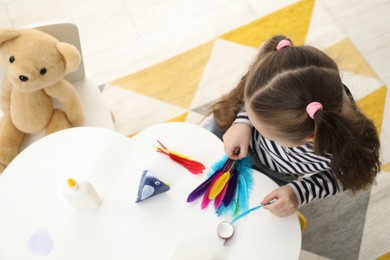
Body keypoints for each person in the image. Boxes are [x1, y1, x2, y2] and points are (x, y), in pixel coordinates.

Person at [204, 35, 381, 217]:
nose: (265, 136)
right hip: (238, 134)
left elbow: (345, 177)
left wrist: (298, 192)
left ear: (310, 137)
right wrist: (242, 120)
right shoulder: (291, 82)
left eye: (269, 136)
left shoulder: (345, 144)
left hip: (276, 174)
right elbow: (257, 98)